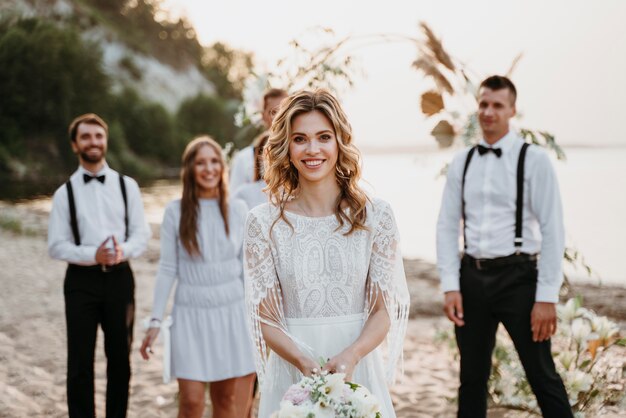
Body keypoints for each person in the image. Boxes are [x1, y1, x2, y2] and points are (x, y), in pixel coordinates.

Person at [243, 89, 410, 417]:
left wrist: (353, 355)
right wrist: (303, 362)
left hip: (357, 368)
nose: (313, 149)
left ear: (339, 142)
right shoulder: (262, 223)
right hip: (291, 372)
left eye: (323, 137)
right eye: (300, 139)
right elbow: (267, 319)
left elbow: (380, 313)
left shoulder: (376, 217)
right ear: (286, 147)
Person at [436, 75, 574, 417]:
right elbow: (446, 225)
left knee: (542, 375)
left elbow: (553, 229)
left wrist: (546, 297)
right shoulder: (462, 161)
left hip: (518, 278)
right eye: (483, 104)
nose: (488, 112)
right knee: (471, 380)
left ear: (512, 110)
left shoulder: (534, 160)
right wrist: (451, 286)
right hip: (472, 278)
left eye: (498, 105)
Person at [140, 136, 256, 418]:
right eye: (201, 162)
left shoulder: (238, 209)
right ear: (190, 169)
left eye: (214, 161)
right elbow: (168, 268)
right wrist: (156, 319)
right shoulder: (175, 211)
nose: (209, 168)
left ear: (222, 167)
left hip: (232, 311)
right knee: (191, 401)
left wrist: (257, 317)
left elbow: (246, 269)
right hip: (190, 313)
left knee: (225, 399)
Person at [48, 113, 151, 418]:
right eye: (86, 137)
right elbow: (56, 245)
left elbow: (141, 235)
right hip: (81, 282)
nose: (93, 142)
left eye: (98, 136)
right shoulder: (64, 193)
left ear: (105, 141)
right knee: (80, 361)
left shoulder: (127, 186)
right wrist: (94, 255)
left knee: (120, 359)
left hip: (120, 279)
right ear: (75, 145)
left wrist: (122, 252)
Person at [229, 88, 288, 194]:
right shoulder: (244, 159)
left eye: (285, 111)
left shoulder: (301, 154)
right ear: (263, 116)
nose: (280, 117)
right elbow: (234, 200)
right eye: (273, 112)